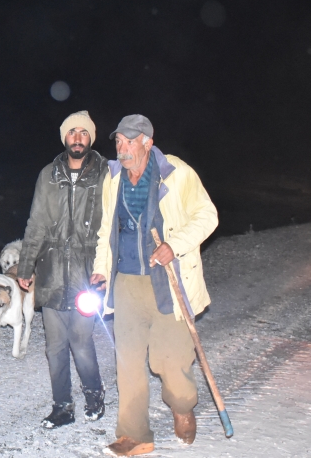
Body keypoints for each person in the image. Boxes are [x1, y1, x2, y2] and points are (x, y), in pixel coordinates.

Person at [90, 114, 217, 457]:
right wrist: (101, 271)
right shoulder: (112, 178)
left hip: (168, 281)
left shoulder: (177, 173)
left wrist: (174, 245)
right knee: (128, 361)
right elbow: (106, 231)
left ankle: (182, 405)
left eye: (129, 141)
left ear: (148, 141)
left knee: (170, 360)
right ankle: (134, 435)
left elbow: (208, 216)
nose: (122, 148)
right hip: (127, 282)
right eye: (118, 142)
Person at [16, 110, 107, 429]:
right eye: (72, 133)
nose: (78, 138)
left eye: (84, 133)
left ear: (90, 138)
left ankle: (94, 394)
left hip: (87, 272)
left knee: (81, 340)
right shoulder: (47, 175)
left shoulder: (105, 173)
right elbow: (37, 222)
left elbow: (113, 224)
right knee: (54, 345)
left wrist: (107, 267)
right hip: (52, 271)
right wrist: (26, 265)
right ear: (65, 138)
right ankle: (62, 407)